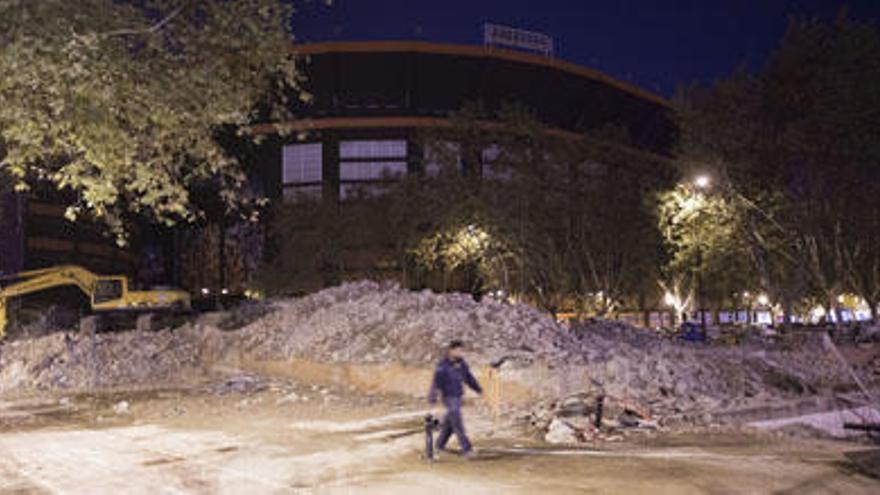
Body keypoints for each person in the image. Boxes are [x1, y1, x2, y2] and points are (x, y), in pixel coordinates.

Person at [428, 339, 483, 458]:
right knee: (458, 423)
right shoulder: (443, 365)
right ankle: (467, 449)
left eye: (461, 350)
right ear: (451, 351)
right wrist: (432, 397)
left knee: (450, 424)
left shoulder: (462, 364)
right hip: (448, 397)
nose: (460, 352)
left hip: (458, 397)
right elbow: (436, 383)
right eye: (458, 350)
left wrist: (478, 389)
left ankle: (439, 445)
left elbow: (469, 378)